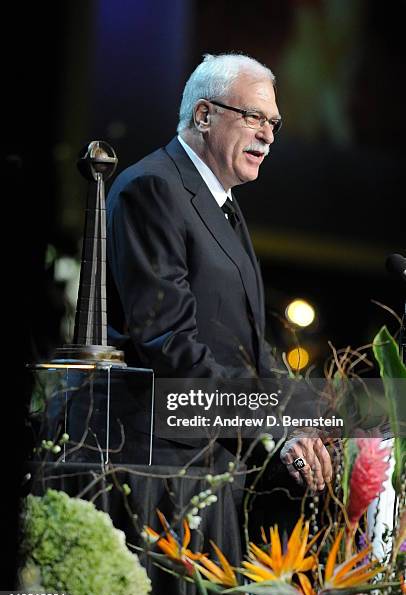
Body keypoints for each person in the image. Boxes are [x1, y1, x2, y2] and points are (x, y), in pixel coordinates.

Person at [106, 53, 332, 495]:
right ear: (204, 115)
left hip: (215, 465)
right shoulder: (152, 189)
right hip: (163, 468)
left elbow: (245, 350)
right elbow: (169, 344)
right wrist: (272, 429)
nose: (267, 135)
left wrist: (307, 417)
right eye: (254, 117)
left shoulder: (222, 203)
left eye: (274, 124)